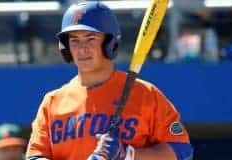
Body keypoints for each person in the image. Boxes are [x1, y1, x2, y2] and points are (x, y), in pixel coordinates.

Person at [26, 1, 193, 160]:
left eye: (90, 39)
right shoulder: (53, 102)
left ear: (110, 43)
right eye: (74, 41)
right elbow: (35, 155)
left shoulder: (146, 94)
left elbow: (182, 151)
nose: (82, 48)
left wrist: (127, 155)